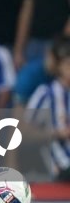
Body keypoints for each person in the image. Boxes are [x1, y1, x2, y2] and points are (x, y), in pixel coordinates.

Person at [26, 36, 70, 180]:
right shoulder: (46, 93)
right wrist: (57, 133)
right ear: (59, 65)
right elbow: (24, 132)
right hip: (62, 169)